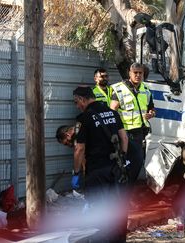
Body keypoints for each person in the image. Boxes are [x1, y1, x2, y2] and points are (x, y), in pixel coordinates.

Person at [72, 86, 128, 242]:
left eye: (77, 102)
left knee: (98, 209)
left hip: (96, 171)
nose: (77, 106)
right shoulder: (113, 113)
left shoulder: (83, 119)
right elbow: (124, 138)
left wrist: (76, 173)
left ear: (83, 99)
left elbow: (79, 149)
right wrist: (122, 160)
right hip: (116, 169)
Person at [55, 124, 143, 185]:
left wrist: (79, 175)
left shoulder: (79, 136)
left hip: (129, 152)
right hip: (127, 150)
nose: (68, 146)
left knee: (122, 183)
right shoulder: (82, 128)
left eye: (66, 143)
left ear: (68, 135)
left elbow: (84, 161)